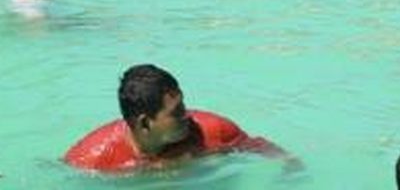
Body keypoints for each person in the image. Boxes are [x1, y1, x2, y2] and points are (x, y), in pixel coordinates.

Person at [63, 64, 284, 172]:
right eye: (176, 112)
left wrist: (289, 169)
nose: (187, 115)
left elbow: (260, 147)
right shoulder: (92, 159)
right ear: (144, 123)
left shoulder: (213, 131)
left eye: (183, 105)